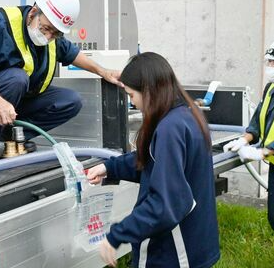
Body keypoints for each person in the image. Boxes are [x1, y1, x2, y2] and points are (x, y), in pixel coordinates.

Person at [0, 0, 121, 161]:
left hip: (20, 99)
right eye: (46, 29)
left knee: (71, 101)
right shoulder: (1, 23)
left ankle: (14, 137)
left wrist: (103, 71)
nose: (49, 37)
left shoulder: (53, 37)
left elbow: (71, 53)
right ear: (34, 12)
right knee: (16, 78)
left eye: (56, 34)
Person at [87, 52, 220, 268]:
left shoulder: (169, 128)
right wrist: (109, 168)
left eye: (131, 95)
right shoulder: (187, 115)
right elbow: (153, 162)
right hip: (196, 242)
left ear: (148, 91)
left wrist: (116, 236)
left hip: (175, 252)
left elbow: (166, 203)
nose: (132, 103)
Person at [223, 37, 274, 268]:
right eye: (270, 61)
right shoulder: (271, 89)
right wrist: (244, 139)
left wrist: (262, 153)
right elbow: (258, 122)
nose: (271, 67)